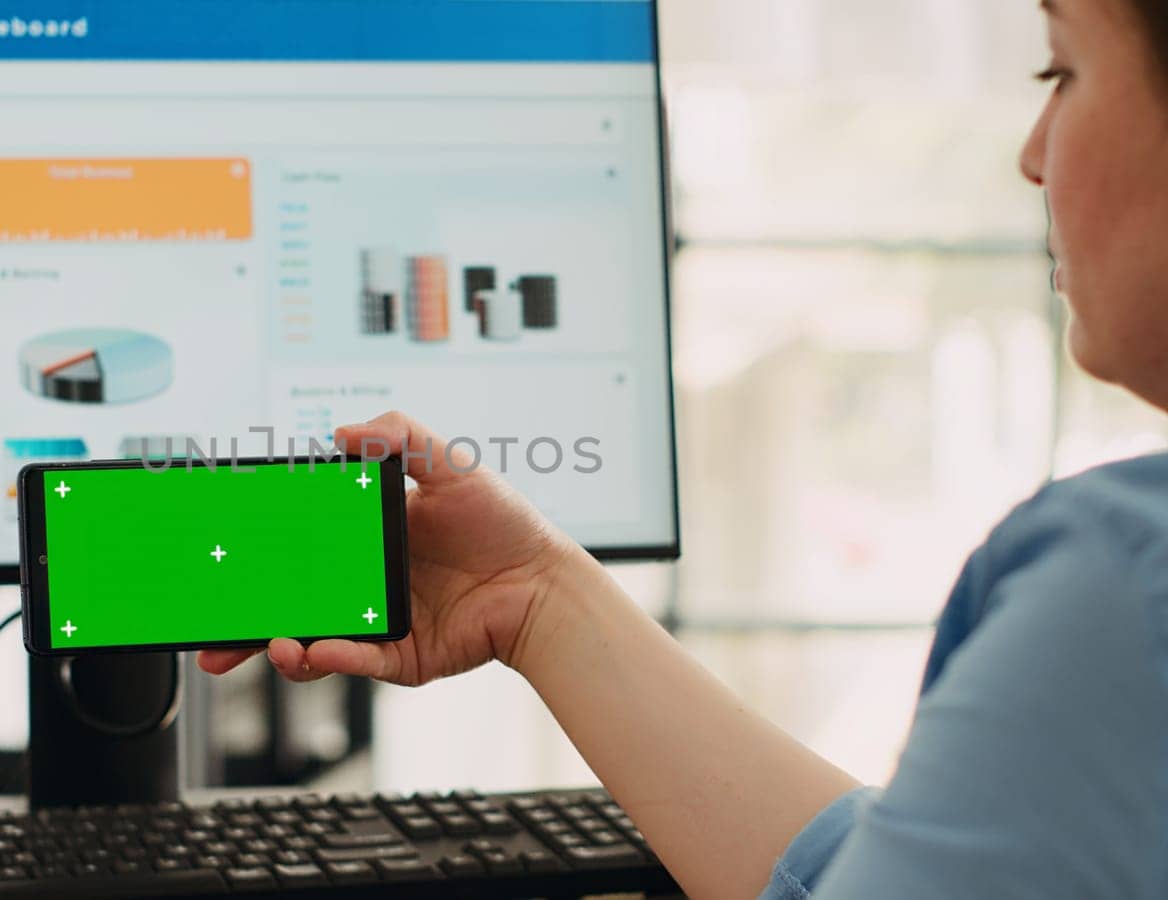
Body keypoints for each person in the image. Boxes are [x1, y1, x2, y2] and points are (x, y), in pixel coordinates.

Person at [202, 0, 1168, 895]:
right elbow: (865, 875)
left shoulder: (1124, 582)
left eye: (1062, 71)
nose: (1033, 156)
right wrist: (535, 597)